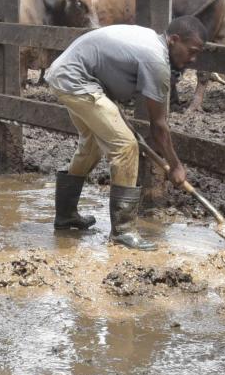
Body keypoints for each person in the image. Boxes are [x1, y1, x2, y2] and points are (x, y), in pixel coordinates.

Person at [44, 20, 201, 248]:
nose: (193, 59)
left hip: (69, 75)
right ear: (174, 40)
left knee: (91, 146)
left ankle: (65, 215)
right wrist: (175, 166)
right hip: (76, 80)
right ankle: (123, 231)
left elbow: (108, 68)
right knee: (126, 146)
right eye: (192, 51)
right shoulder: (156, 59)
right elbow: (158, 126)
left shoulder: (151, 40)